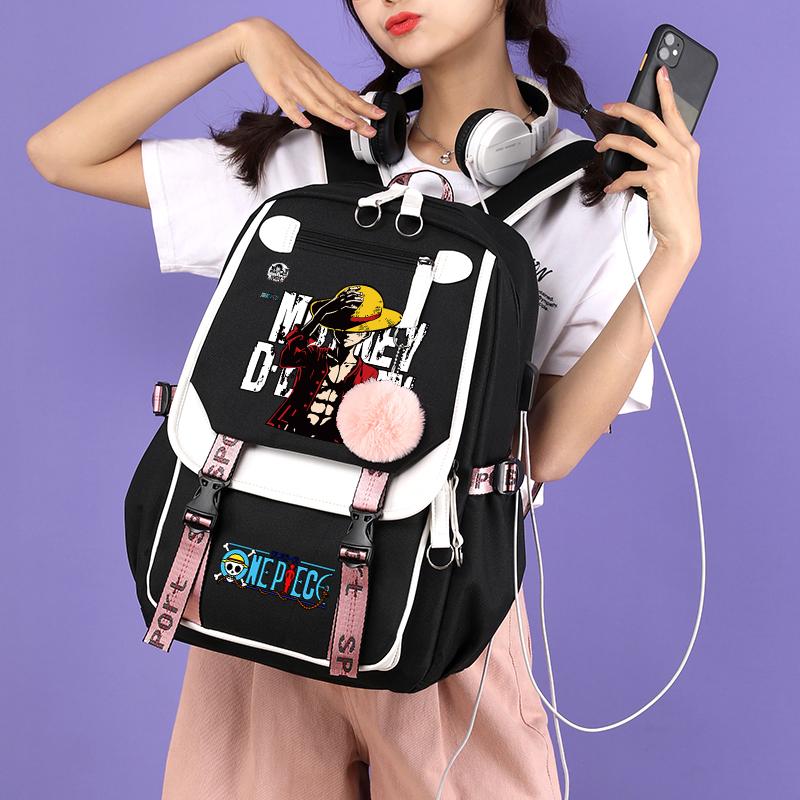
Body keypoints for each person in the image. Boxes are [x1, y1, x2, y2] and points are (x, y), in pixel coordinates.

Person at [25, 1, 702, 797]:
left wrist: (674, 251)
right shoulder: (311, 156)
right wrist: (240, 40)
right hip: (260, 588)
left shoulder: (592, 194)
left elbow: (546, 452)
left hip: (442, 603)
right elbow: (60, 154)